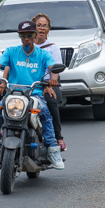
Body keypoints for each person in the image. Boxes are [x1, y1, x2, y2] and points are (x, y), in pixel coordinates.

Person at [0, 20, 64, 169]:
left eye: (29, 35)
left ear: (35, 35)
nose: (26, 39)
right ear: (20, 36)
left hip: (34, 94)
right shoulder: (11, 52)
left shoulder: (43, 54)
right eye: (23, 35)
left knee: (44, 112)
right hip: (12, 94)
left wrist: (53, 80)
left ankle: (52, 149)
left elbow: (53, 68)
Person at [32, 13, 66, 152]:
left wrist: (50, 85)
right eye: (38, 25)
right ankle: (2, 133)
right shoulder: (25, 46)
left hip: (47, 84)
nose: (41, 28)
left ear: (49, 29)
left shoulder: (52, 48)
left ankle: (58, 137)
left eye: (45, 26)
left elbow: (55, 69)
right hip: (28, 84)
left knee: (51, 100)